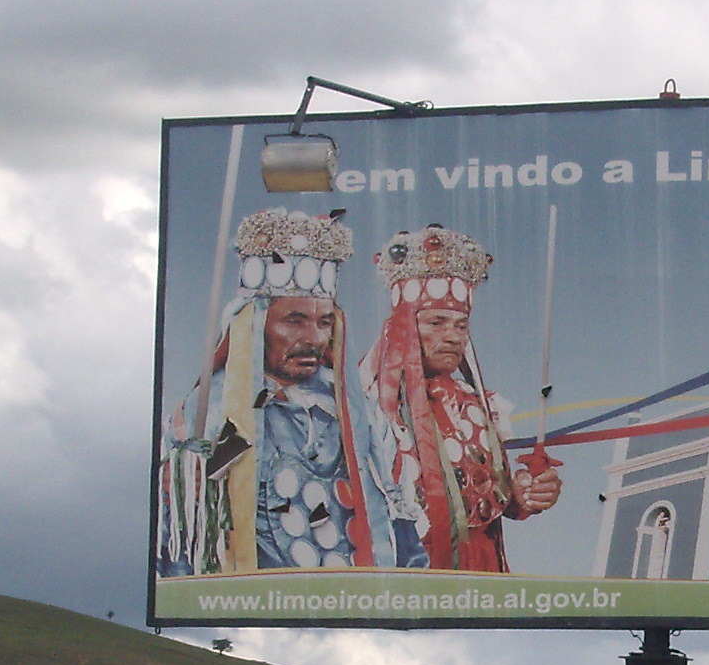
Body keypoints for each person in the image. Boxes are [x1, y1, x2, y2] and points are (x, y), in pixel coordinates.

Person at [155, 209, 407, 574]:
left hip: (355, 594)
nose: (314, 338)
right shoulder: (206, 412)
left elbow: (399, 523)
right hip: (256, 594)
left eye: (324, 322)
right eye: (294, 321)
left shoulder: (360, 414)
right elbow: (180, 537)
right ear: (255, 324)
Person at [362, 224, 562, 571]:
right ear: (403, 327)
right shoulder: (367, 406)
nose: (453, 337)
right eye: (436, 323)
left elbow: (496, 497)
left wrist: (524, 493)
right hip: (408, 571)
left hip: (482, 568)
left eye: (460, 325)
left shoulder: (478, 405)